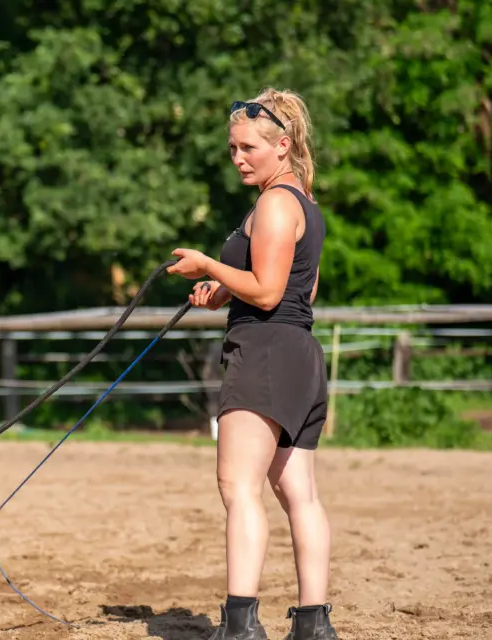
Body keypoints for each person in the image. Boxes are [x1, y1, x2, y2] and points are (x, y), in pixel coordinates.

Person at [166, 88, 338, 640]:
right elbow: (297, 289)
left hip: (264, 351)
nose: (238, 158)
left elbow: (267, 293)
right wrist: (221, 292)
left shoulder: (274, 204)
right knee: (298, 494)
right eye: (233, 149)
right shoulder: (303, 203)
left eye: (248, 148)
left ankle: (240, 624)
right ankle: (313, 624)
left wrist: (207, 264)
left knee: (237, 486)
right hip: (299, 354)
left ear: (282, 145)